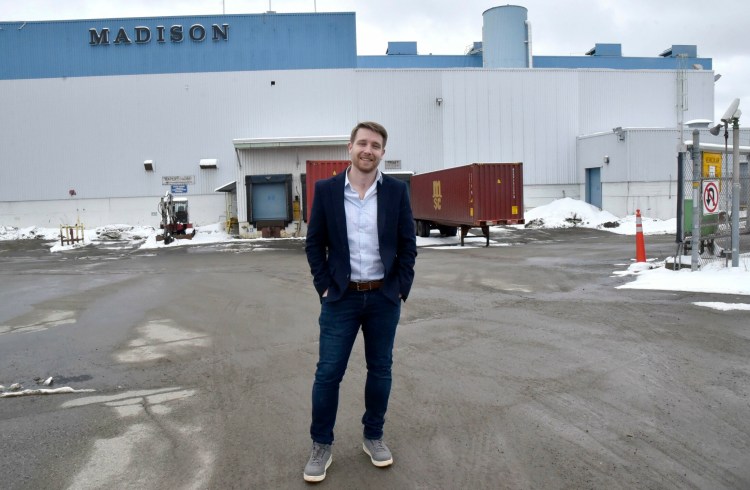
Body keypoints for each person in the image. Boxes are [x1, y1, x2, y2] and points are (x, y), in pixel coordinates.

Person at [303, 121, 417, 482]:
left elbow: (407, 244)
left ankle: (373, 436)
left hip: (384, 297)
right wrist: (323, 286)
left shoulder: (397, 191)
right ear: (350, 147)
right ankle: (321, 444)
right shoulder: (326, 190)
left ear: (383, 152)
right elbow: (313, 243)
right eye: (363, 143)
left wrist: (400, 287)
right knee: (328, 373)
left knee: (380, 370)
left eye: (376, 146)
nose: (369, 150)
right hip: (341, 298)